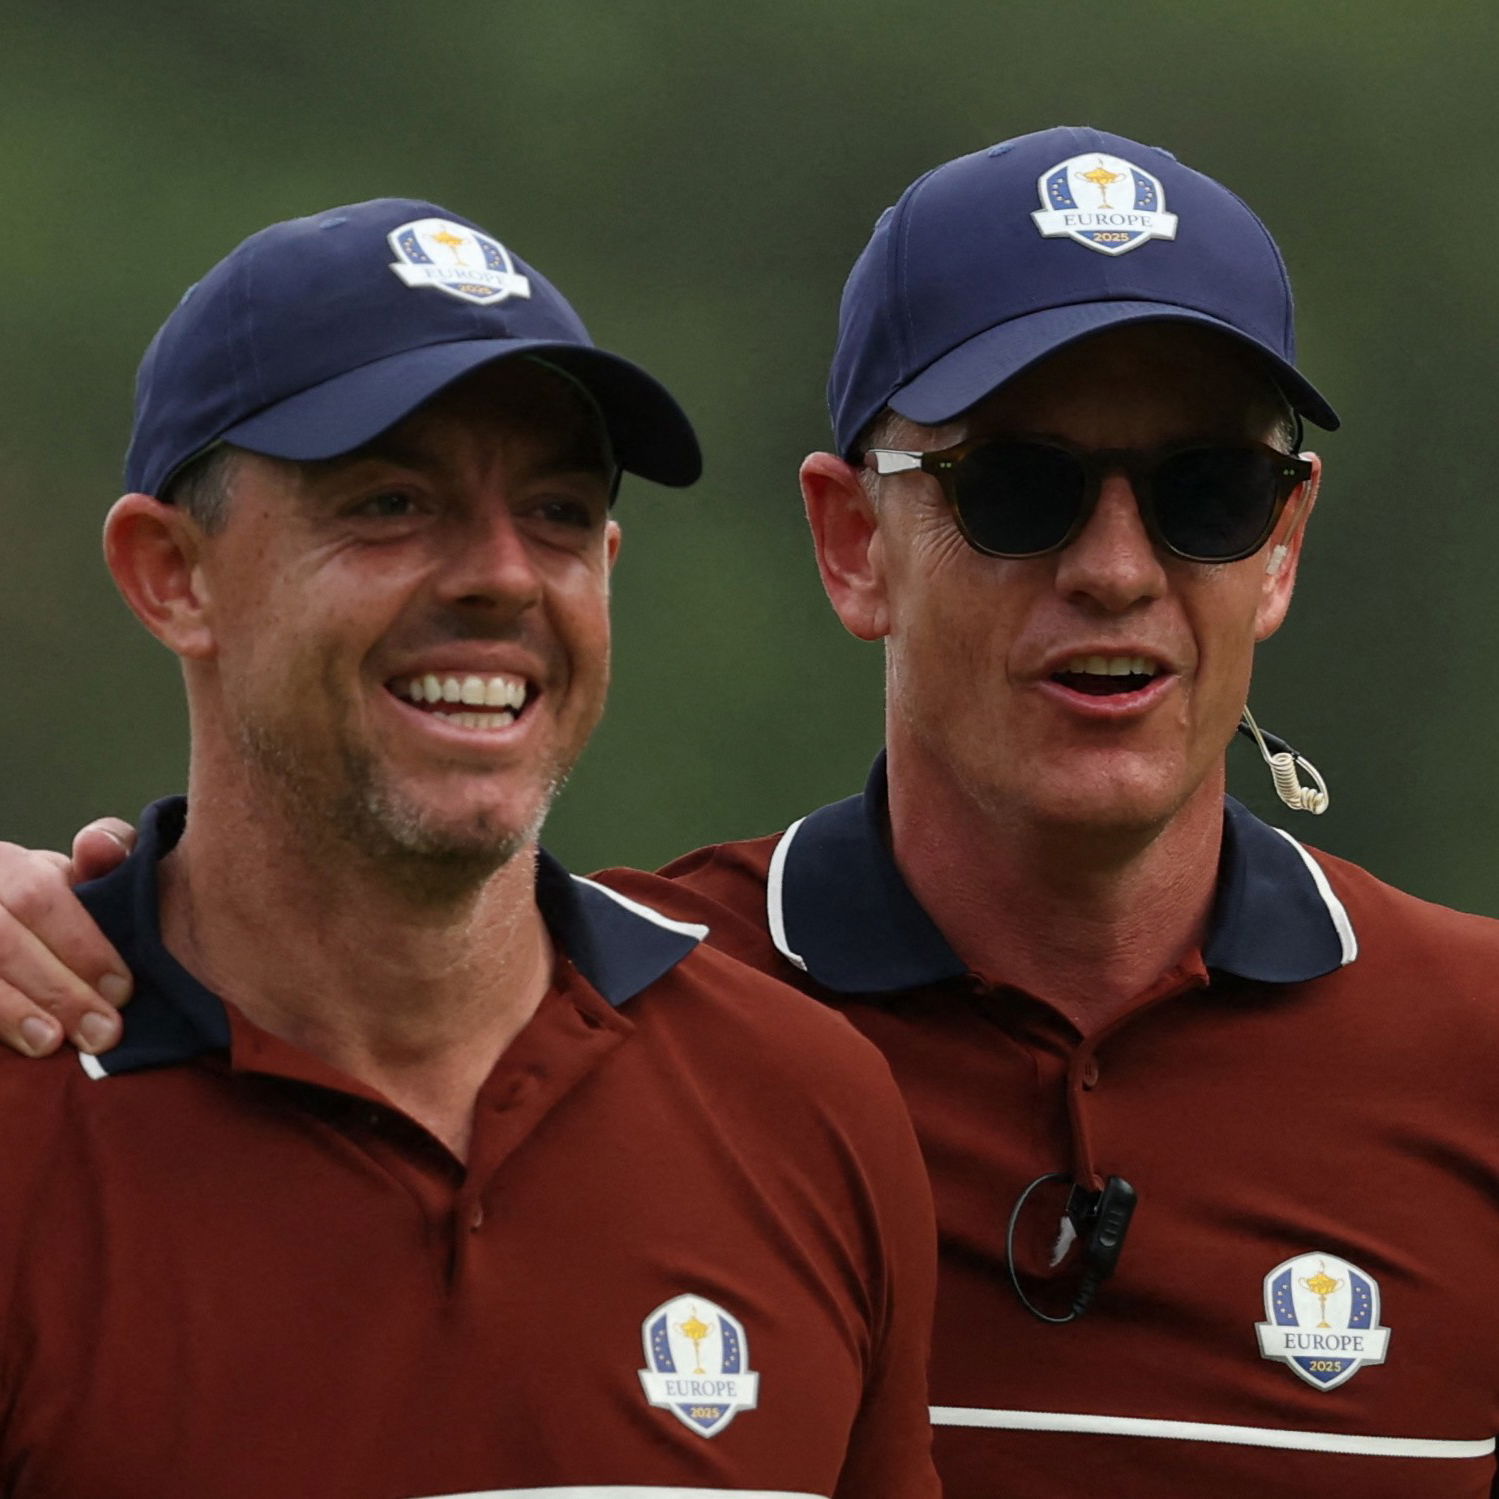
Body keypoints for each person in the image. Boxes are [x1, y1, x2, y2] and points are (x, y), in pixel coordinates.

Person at [6, 125, 1499, 1498]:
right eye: (1020, 488)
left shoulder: (1470, 1053)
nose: (1116, 568)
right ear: (854, 544)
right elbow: (329, 920)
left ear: (1283, 545)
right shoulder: (678, 1013)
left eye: (1208, 491)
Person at [0, 198, 941, 1499]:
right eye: (391, 502)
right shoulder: (25, 1104)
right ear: (173, 574)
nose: (504, 576)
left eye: (557, 513)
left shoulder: (807, 1103)